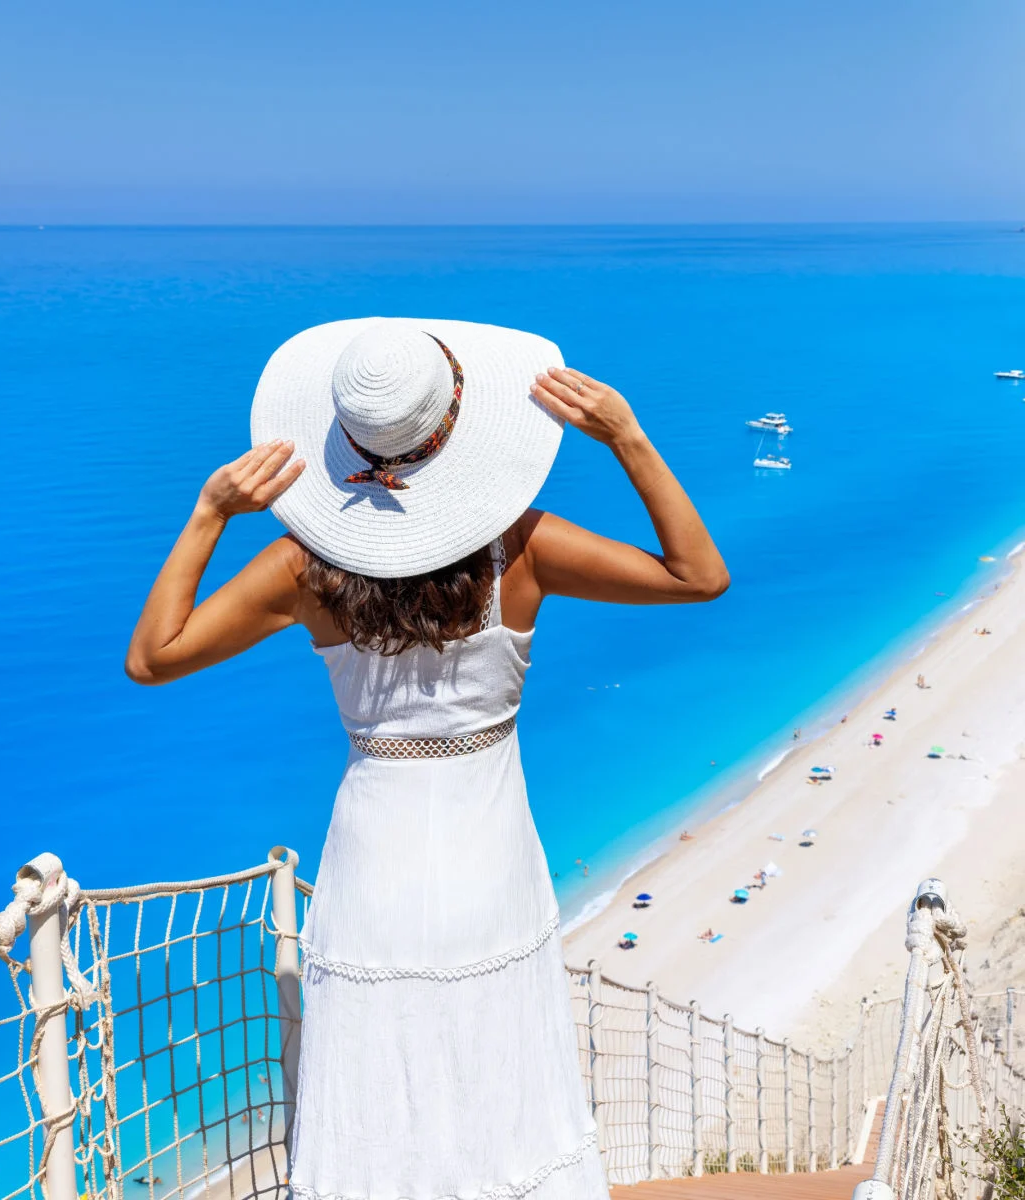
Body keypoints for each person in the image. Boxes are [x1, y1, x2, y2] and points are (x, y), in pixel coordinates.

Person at [125, 319, 729, 1200]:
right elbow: (697, 575)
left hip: (373, 857)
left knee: (378, 1078)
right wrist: (627, 438)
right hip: (489, 855)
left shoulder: (301, 567)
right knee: (496, 1076)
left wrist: (211, 512)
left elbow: (153, 657)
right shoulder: (520, 550)